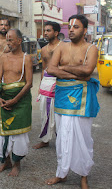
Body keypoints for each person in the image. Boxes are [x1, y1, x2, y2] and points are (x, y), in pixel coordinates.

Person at [46, 15, 100, 189]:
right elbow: (50, 69)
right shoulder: (61, 47)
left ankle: (83, 175)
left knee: (82, 138)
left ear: (84, 30)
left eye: (76, 27)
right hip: (62, 96)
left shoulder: (91, 48)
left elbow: (88, 70)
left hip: (82, 97)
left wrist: (63, 68)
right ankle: (62, 173)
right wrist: (78, 74)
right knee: (62, 137)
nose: (71, 30)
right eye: (70, 27)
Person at [0, 29, 33, 177]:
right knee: (1, 135)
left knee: (19, 134)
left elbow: (29, 83)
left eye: (11, 40)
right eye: (7, 40)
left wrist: (15, 100)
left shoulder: (26, 58)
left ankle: (17, 164)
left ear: (19, 41)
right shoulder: (3, 58)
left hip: (20, 101)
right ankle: (7, 161)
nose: (8, 43)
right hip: (4, 99)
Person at [33, 21, 63, 149]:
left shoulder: (64, 47)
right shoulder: (43, 49)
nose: (45, 33)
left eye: (48, 30)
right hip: (46, 82)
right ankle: (45, 140)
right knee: (44, 112)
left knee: (60, 114)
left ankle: (62, 140)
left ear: (56, 33)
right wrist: (40, 86)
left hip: (60, 82)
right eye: (44, 30)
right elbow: (43, 68)